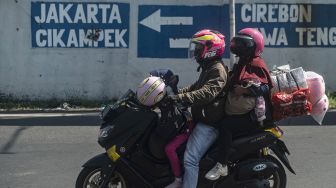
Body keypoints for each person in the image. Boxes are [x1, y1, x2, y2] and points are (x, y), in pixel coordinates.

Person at [205, 28, 273, 180]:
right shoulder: (242, 62)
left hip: (255, 116)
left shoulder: (256, 63)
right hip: (241, 110)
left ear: (254, 46)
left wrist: (244, 91)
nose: (239, 47)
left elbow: (265, 87)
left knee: (225, 126)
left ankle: (222, 164)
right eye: (238, 43)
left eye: (244, 44)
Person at [167, 29, 228, 188]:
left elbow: (208, 93)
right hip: (200, 118)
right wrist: (173, 93)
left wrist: (181, 98)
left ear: (210, 49)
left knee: (190, 159)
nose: (195, 51)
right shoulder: (208, 67)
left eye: (199, 48)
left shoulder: (217, 70)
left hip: (209, 124)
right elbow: (195, 87)